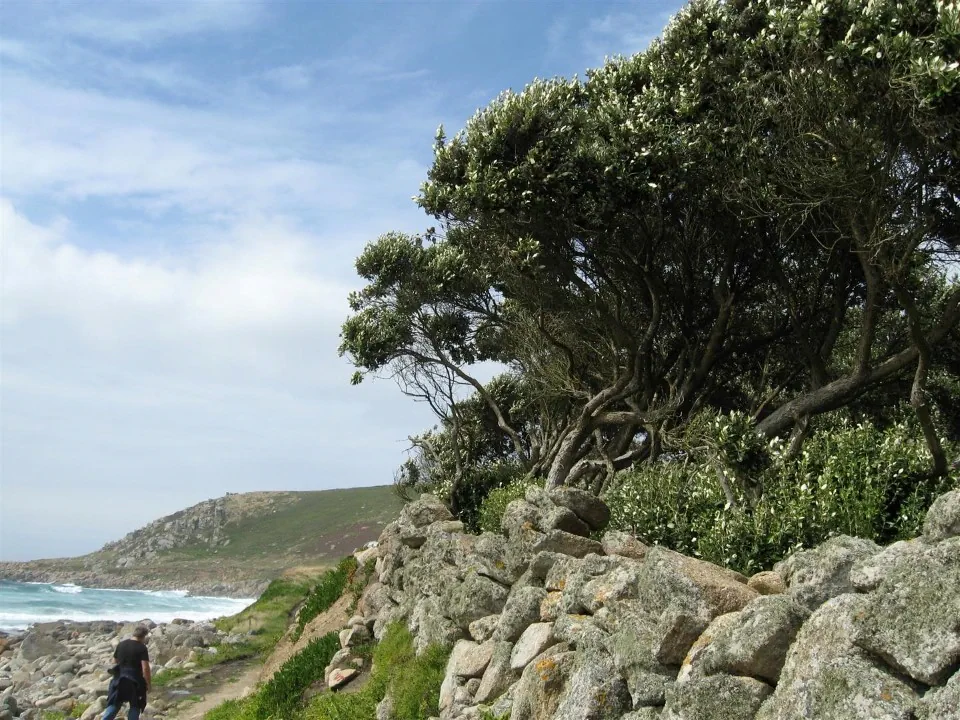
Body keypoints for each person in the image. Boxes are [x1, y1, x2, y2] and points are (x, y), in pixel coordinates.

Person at [102, 625, 151, 720]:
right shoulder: (142, 648)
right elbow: (145, 668)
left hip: (119, 679)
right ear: (143, 636)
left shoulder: (121, 644)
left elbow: (114, 661)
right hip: (134, 681)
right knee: (135, 705)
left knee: (114, 702)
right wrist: (148, 684)